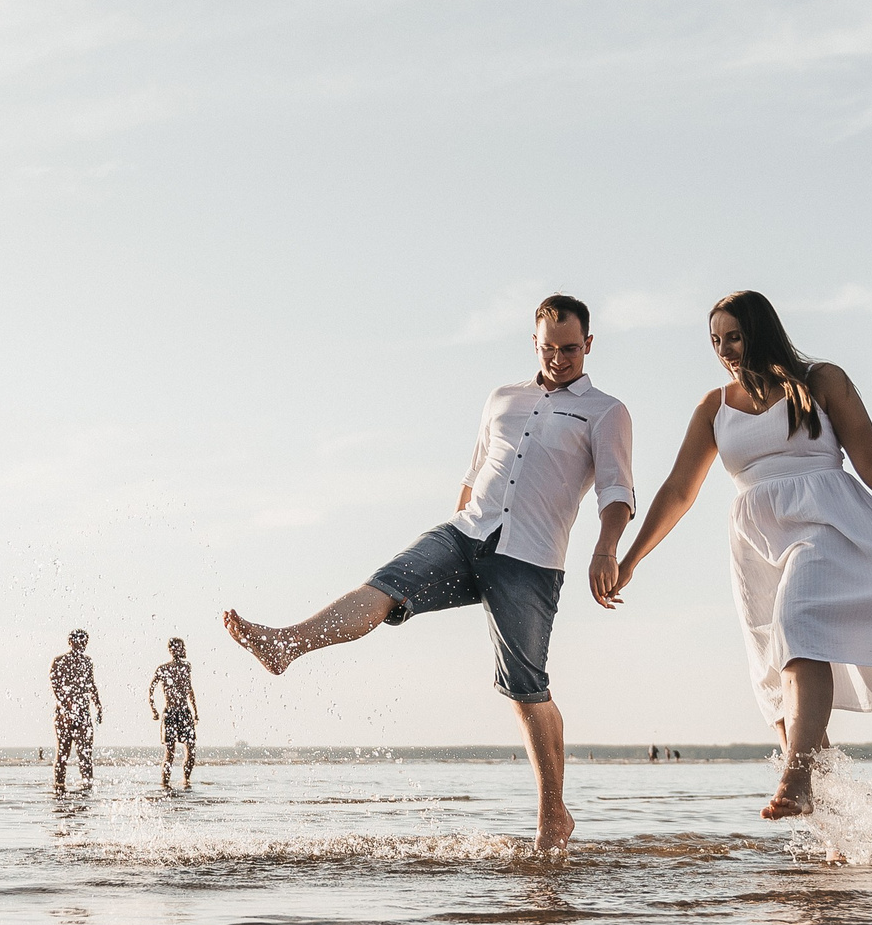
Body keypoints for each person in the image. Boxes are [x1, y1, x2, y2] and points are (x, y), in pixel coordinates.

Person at [224, 294, 635, 852]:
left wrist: (607, 548)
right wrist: (452, 525)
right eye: (548, 348)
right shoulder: (502, 398)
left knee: (526, 691)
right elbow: (475, 472)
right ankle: (287, 644)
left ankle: (552, 817)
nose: (559, 358)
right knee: (385, 587)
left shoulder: (606, 411)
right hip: (465, 533)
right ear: (533, 343)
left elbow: (617, 490)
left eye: (570, 349)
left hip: (531, 560)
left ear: (588, 344)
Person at [614, 290, 872, 821]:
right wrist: (631, 559)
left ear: (762, 330)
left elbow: (870, 457)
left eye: (733, 336)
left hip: (824, 525)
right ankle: (839, 834)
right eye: (715, 340)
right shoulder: (714, 407)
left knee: (800, 625)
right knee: (772, 679)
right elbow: (678, 491)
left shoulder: (821, 381)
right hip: (754, 546)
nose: (725, 349)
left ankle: (797, 775)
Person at [49, 630, 101, 789]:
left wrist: (98, 705)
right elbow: (55, 686)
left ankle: (87, 788)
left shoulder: (87, 661)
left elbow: (91, 684)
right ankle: (59, 786)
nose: (82, 645)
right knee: (62, 753)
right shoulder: (59, 661)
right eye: (78, 641)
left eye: (84, 642)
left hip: (83, 713)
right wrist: (66, 705)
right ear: (70, 642)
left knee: (85, 754)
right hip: (64, 713)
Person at [148, 638, 199, 786]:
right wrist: (154, 709)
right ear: (170, 650)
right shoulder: (163, 668)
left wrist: (195, 711)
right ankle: (165, 782)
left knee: (191, 749)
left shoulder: (186, 667)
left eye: (180, 647)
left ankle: (186, 780)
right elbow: (151, 689)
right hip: (170, 712)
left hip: (184, 711)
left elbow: (189, 689)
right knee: (170, 752)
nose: (178, 650)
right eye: (175, 648)